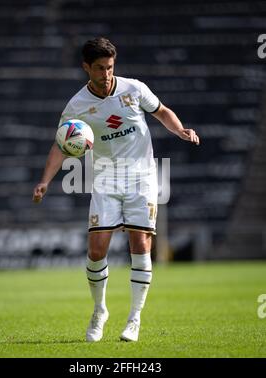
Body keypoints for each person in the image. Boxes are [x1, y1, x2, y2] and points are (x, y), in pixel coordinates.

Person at [32, 37, 200, 342]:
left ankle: (134, 318)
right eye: (99, 68)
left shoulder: (134, 89)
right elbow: (61, 145)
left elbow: (162, 111)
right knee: (96, 252)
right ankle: (100, 310)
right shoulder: (77, 105)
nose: (106, 73)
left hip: (142, 178)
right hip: (106, 179)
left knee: (141, 246)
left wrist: (180, 130)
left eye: (110, 67)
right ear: (86, 68)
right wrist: (45, 180)